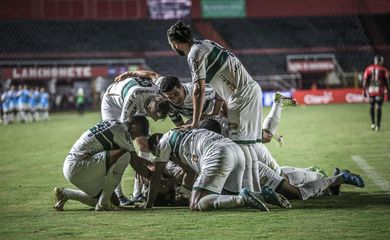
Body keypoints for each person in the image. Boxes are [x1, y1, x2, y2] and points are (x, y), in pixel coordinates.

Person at [166, 21, 263, 192]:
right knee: (247, 146)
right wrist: (215, 111)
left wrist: (195, 122)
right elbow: (220, 81)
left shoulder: (194, 55)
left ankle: (251, 191)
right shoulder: (206, 44)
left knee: (240, 146)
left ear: (175, 43)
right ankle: (256, 190)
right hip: (248, 92)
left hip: (241, 97)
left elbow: (198, 89)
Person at [199, 118, 365, 201]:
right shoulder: (216, 140)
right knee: (285, 178)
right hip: (252, 171)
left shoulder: (220, 145)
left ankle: (340, 177)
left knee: (298, 193)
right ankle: (328, 184)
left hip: (256, 173)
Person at [146, 129, 291, 211]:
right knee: (224, 195)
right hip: (235, 150)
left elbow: (156, 178)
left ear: (155, 148)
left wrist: (148, 206)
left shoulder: (162, 144)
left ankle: (242, 199)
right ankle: (262, 195)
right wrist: (184, 192)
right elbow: (189, 172)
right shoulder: (181, 137)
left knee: (195, 204)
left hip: (216, 153)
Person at [53, 115, 151, 211]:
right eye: (139, 133)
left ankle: (65, 194)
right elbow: (134, 162)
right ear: (134, 125)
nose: (136, 137)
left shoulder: (112, 122)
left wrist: (151, 164)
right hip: (78, 166)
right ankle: (103, 204)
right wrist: (155, 177)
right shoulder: (122, 131)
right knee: (125, 155)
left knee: (114, 202)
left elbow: (135, 159)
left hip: (73, 165)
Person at [101, 76, 170, 205]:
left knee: (144, 143)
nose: (153, 120)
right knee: (118, 148)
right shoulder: (134, 97)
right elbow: (122, 131)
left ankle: (137, 193)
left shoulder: (160, 97)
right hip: (113, 105)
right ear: (149, 109)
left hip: (138, 103)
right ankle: (118, 195)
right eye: (152, 116)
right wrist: (139, 165)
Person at [363, 55, 389, 131]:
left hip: (371, 89)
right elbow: (387, 81)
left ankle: (372, 124)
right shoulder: (383, 69)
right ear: (380, 61)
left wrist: (364, 90)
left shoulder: (368, 68)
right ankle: (378, 126)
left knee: (371, 106)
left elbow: (365, 80)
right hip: (379, 89)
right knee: (379, 107)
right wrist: (387, 89)